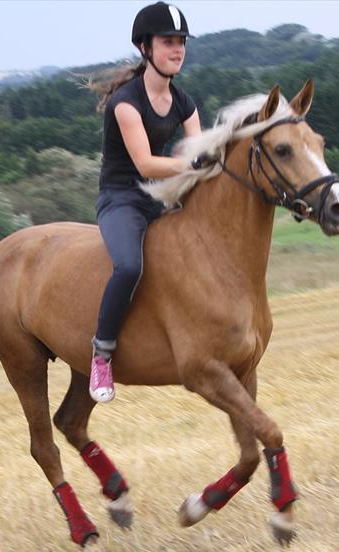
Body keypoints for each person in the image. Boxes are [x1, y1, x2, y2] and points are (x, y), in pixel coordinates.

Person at [89, 1, 213, 403]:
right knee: (128, 266)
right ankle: (102, 354)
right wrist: (193, 163)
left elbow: (198, 149)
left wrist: (207, 162)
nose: (177, 49)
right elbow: (145, 162)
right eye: (168, 42)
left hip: (160, 196)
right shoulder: (125, 102)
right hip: (122, 198)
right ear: (145, 48)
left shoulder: (184, 101)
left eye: (181, 42)